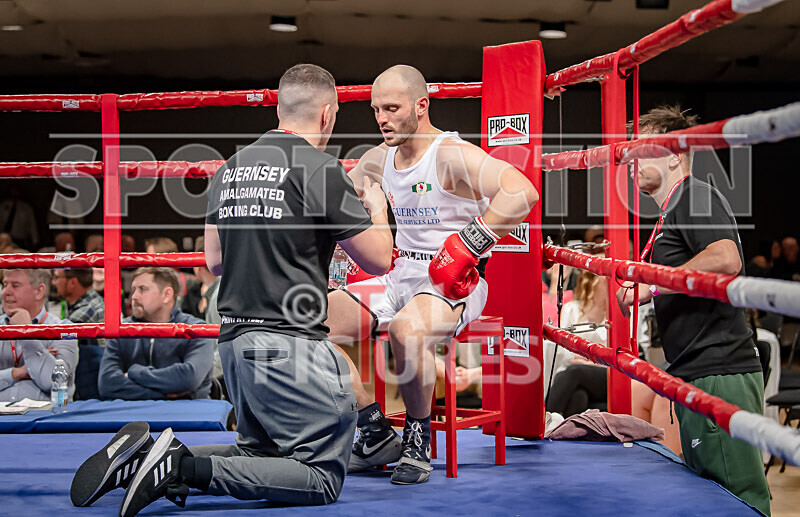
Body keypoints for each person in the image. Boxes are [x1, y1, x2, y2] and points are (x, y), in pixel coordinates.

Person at [72, 63, 393, 514]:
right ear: (327, 115)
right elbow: (378, 258)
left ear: (280, 108)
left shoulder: (229, 169)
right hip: (287, 346)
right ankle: (179, 469)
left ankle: (144, 458)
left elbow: (214, 261)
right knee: (321, 477)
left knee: (258, 456)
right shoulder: (320, 169)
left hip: (235, 343)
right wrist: (376, 210)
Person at [326, 65, 538, 484]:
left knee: (407, 330)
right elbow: (338, 201)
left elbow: (522, 192)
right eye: (375, 110)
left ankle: (417, 438)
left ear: (421, 106)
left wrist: (469, 244)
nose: (382, 118)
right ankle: (372, 429)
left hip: (454, 282)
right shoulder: (377, 159)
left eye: (392, 108)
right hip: (398, 275)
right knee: (305, 322)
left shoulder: (450, 154)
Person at [616, 105, 770, 515]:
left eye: (642, 151)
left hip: (719, 369)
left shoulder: (694, 195)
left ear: (673, 154)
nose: (631, 161)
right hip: (700, 368)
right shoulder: (674, 209)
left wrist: (653, 284)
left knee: (736, 493)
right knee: (714, 494)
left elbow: (726, 257)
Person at [96, 267, 214, 401]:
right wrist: (162, 395)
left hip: (187, 415)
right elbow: (107, 384)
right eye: (133, 290)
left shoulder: (196, 329)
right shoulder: (122, 330)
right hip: (134, 414)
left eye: (142, 289)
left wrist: (135, 372)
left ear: (166, 295)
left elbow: (188, 378)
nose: (133, 296)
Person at [0, 269, 77, 402]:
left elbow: (57, 382)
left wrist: (27, 332)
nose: (6, 292)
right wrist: (16, 373)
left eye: (15, 285)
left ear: (39, 291)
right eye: (5, 284)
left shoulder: (64, 329)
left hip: (47, 420)